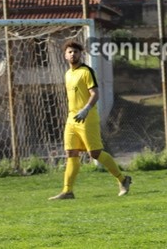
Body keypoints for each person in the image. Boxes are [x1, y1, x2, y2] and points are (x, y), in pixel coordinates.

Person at [49, 40, 132, 200]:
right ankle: (67, 191)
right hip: (72, 118)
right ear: (65, 55)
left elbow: (95, 93)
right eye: (70, 52)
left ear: (80, 54)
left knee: (95, 153)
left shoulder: (86, 71)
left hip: (87, 117)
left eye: (76, 52)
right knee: (71, 152)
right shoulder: (68, 74)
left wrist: (86, 109)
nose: (73, 54)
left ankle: (122, 179)